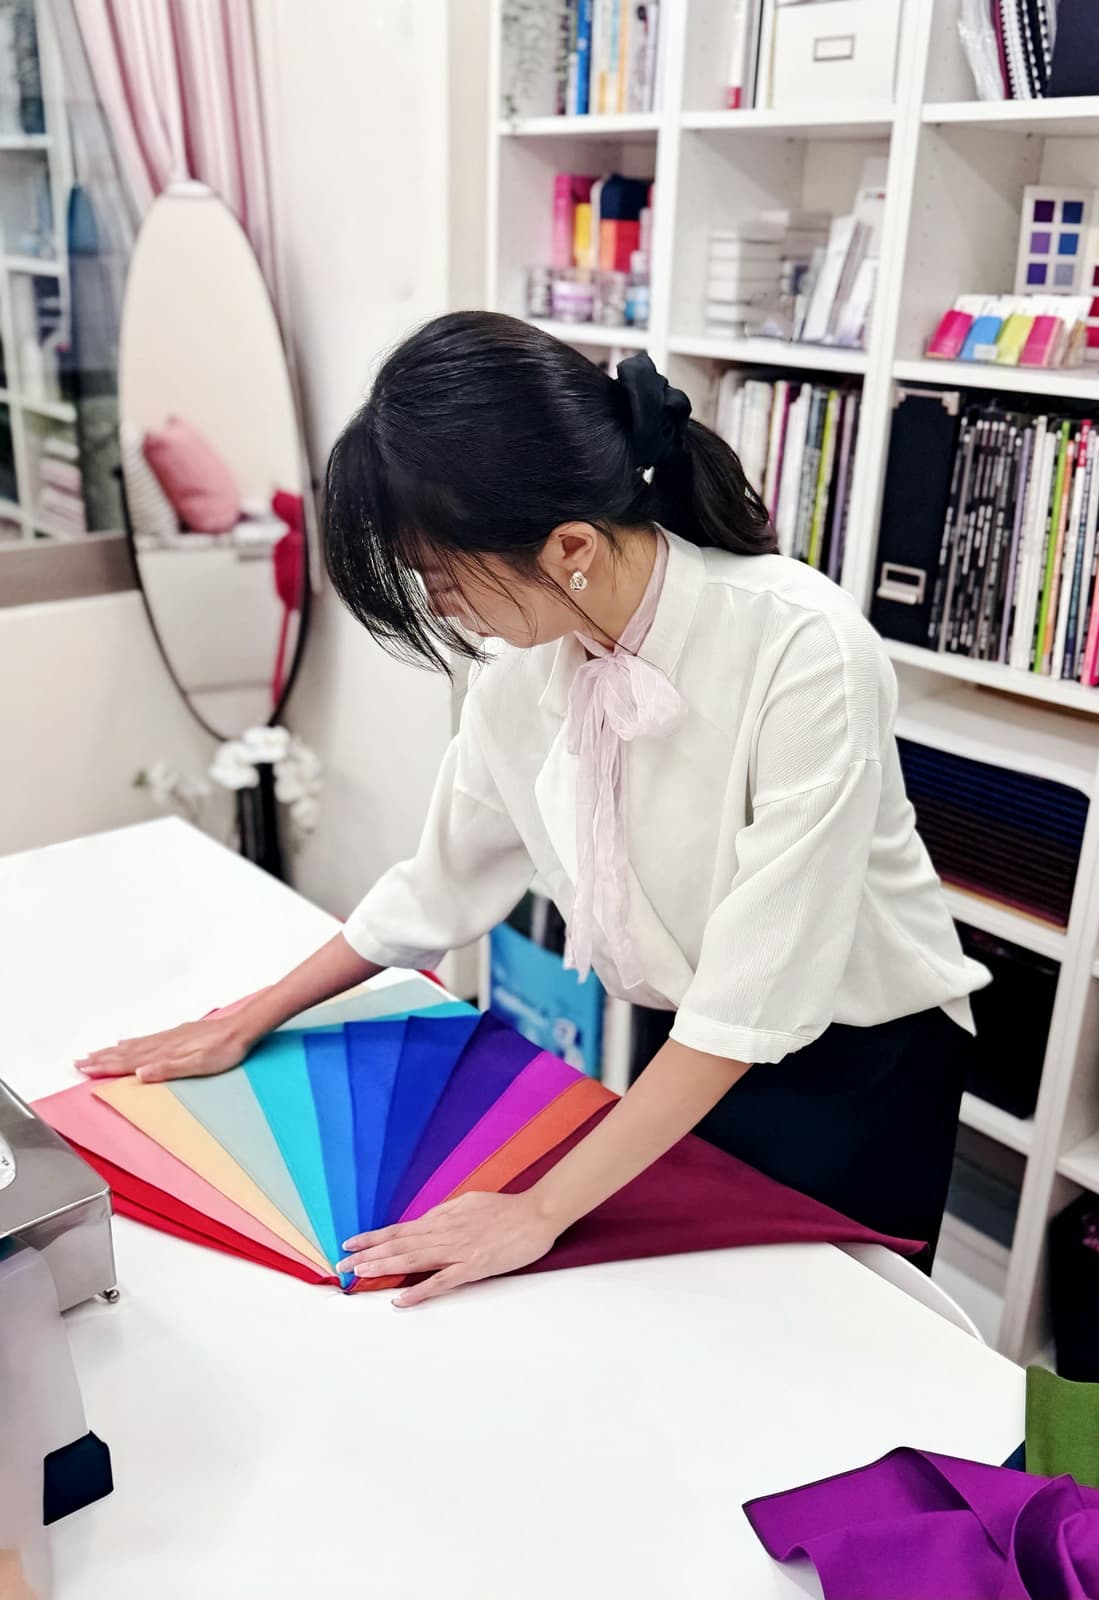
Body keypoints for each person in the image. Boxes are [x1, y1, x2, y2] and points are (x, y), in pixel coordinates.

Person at [79, 312, 988, 1305]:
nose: (442, 608)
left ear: (569, 549)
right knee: (691, 1334)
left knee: (844, 1356)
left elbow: (751, 998)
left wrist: (540, 1209)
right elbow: (436, 885)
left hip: (857, 1069)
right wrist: (245, 1021)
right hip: (683, 1043)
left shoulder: (804, 650)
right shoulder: (522, 681)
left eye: (442, 578)